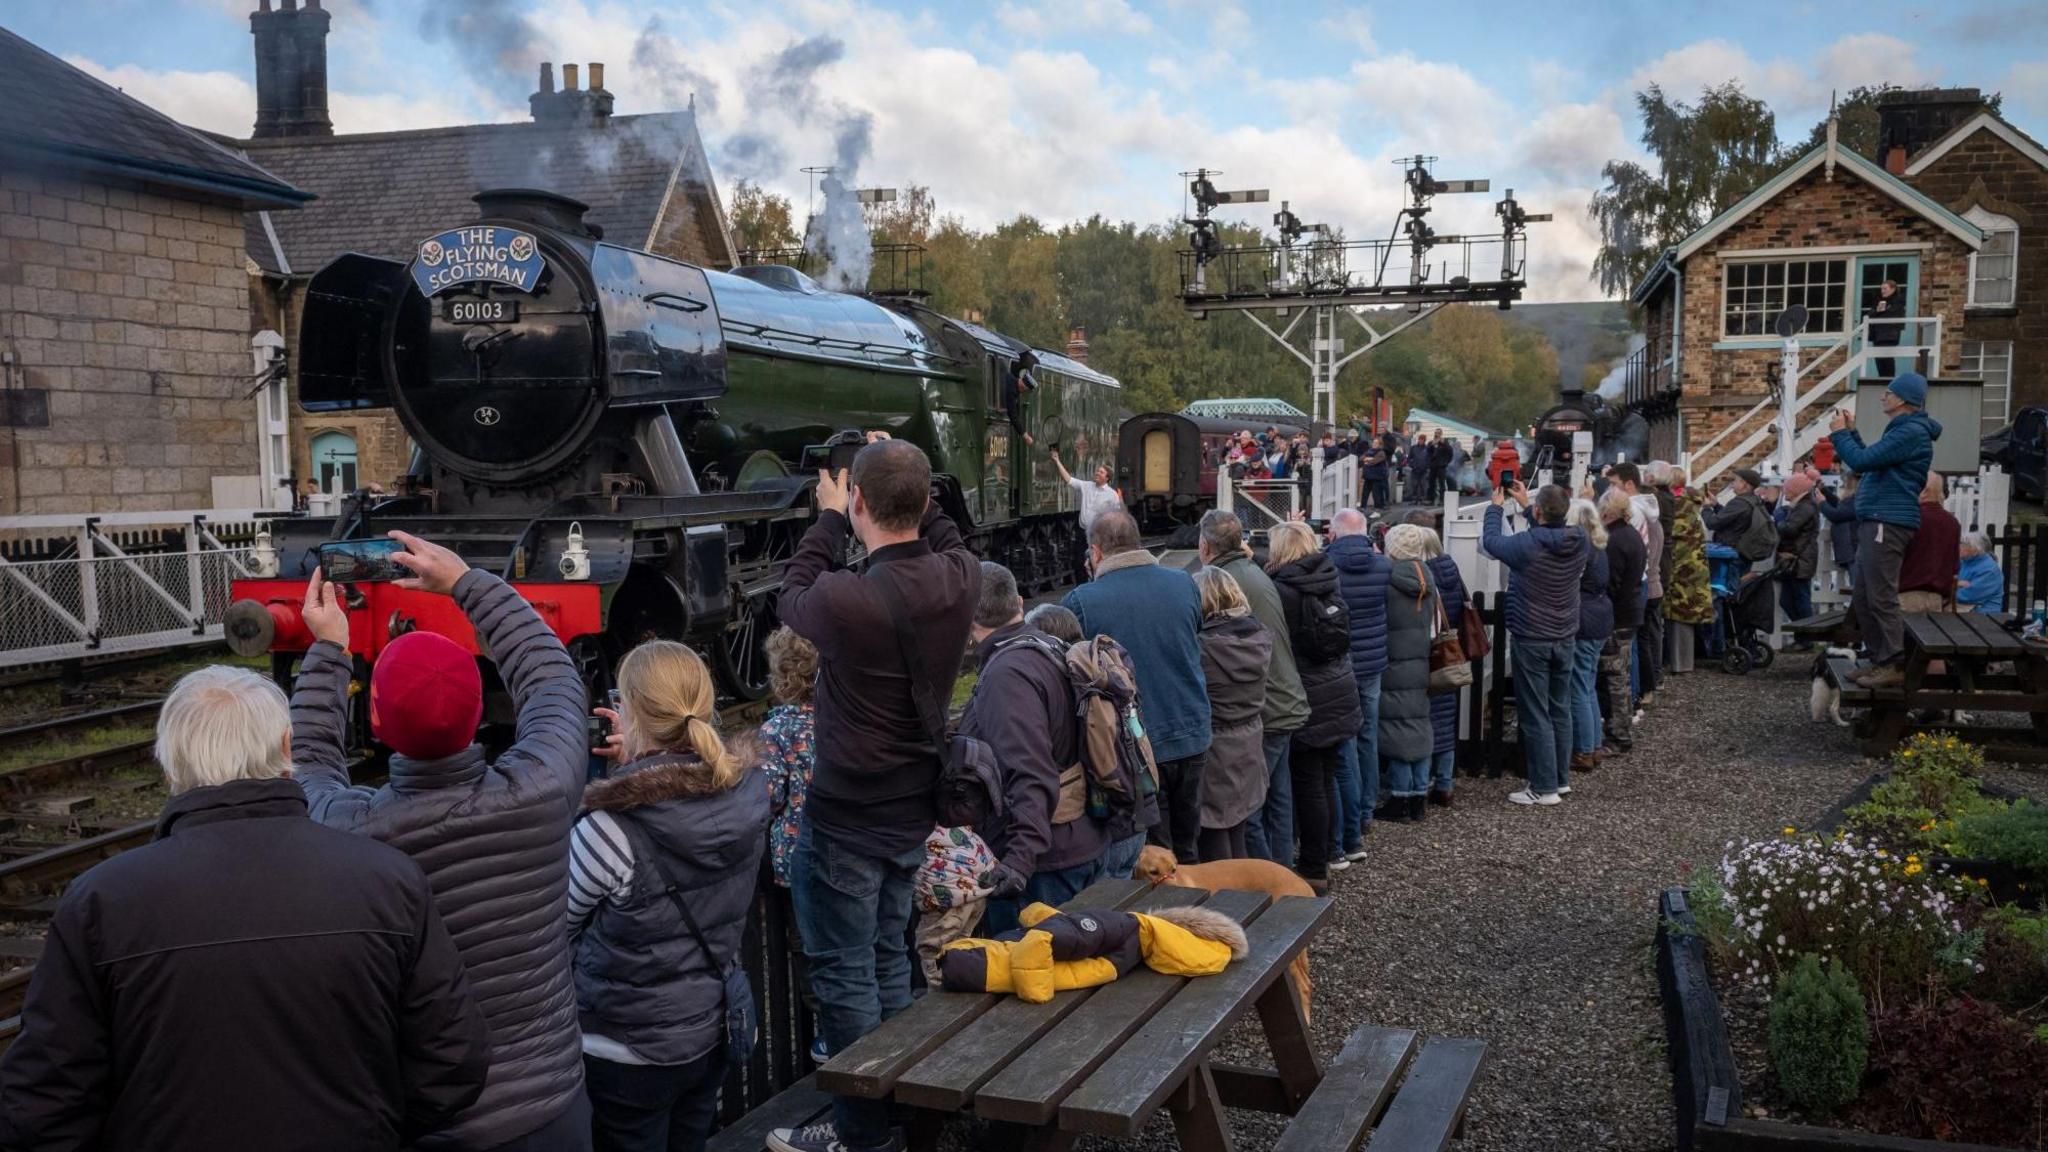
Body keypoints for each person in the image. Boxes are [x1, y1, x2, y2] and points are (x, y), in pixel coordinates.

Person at [0, 663, 489, 1151]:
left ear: (170, 766)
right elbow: (453, 1061)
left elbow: (43, 1103)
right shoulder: (389, 880)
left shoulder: (99, 902)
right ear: (284, 753)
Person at [293, 535, 592, 1152]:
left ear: (376, 721)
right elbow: (552, 681)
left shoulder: (352, 831)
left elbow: (311, 768)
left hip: (432, 1122)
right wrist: (466, 582)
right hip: (552, 1106)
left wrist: (328, 650)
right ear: (479, 710)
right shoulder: (540, 791)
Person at [772, 436, 979, 1152]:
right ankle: (907, 1109)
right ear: (924, 505)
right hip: (911, 813)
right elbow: (947, 529)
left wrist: (829, 519)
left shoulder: (845, 600)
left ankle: (862, 1130)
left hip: (845, 822)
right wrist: (900, 478)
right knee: (893, 958)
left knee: (844, 975)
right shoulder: (962, 578)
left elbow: (789, 592)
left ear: (858, 501)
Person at [573, 643, 768, 1152]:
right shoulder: (749, 793)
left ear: (631, 710)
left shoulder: (610, 828)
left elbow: (559, 920)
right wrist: (635, 769)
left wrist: (619, 781)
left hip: (626, 1046)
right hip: (708, 1028)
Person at [960, 561, 1111, 932]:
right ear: (1020, 604)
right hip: (1078, 841)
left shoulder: (1007, 675)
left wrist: (1017, 863)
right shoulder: (1047, 645)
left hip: (1045, 868)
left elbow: (1031, 772)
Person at [1063, 511, 1207, 867]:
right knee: (1187, 847)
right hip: (1192, 731)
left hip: (1135, 747)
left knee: (1152, 858)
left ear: (1095, 553)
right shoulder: (1185, 583)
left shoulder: (1082, 601)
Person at [1198, 509, 1309, 866]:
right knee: (1279, 800)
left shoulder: (1222, 581)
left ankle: (1267, 888)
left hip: (1266, 707)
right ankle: (1286, 877)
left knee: (1251, 813)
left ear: (1204, 545)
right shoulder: (1254, 573)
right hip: (1284, 699)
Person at [1829, 372, 1942, 688]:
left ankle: (1892, 662)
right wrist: (1851, 433)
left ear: (1903, 399)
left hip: (1887, 521)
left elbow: (1862, 462)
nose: (1883, 396)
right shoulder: (1903, 432)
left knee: (1880, 595)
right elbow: (1873, 459)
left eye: (1888, 393)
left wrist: (1839, 435)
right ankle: (1879, 659)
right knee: (1864, 596)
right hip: (1877, 520)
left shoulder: (1911, 432)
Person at [1265, 521, 1361, 885]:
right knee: (1327, 777)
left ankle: (1312, 866)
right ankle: (1330, 853)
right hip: (1339, 689)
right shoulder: (1327, 576)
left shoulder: (1283, 591)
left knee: (1307, 783)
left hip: (1310, 695)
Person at [1481, 480, 1588, 806]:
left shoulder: (1526, 546)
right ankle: (1559, 778)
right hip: (1565, 633)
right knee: (1559, 708)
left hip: (1532, 635)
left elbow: (1492, 542)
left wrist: (1495, 508)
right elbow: (1548, 529)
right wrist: (1529, 505)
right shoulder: (1579, 539)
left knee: (1535, 714)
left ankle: (1543, 788)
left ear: (1539, 512)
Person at [1192, 566, 1273, 861]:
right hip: (1249, 740)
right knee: (1239, 826)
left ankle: (1227, 900)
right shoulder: (1260, 636)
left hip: (1215, 748)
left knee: (1213, 834)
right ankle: (1247, 894)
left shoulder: (1202, 648)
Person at [1326, 508, 1388, 840]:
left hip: (1341, 664)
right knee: (1369, 736)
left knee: (1345, 740)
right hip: (1373, 662)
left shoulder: (1327, 565)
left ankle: (1349, 815)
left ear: (1333, 533)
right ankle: (1366, 809)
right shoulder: (1382, 565)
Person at [1378, 525, 1441, 821]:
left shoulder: (1390, 580)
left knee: (1397, 725)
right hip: (1421, 658)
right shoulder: (1427, 576)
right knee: (1418, 722)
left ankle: (1401, 798)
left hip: (1395, 659)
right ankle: (1418, 795)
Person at [1410, 515, 1468, 805]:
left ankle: (1421, 781)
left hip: (1423, 657)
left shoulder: (1419, 576)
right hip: (1447, 655)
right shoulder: (1450, 568)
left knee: (1422, 721)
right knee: (1446, 719)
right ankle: (1445, 783)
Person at [761, 626, 818, 890]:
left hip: (798, 853)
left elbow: (770, 795)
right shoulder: (847, 720)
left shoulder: (776, 731)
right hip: (852, 844)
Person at [1565, 500, 1612, 774]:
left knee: (1578, 687)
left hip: (1585, 618)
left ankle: (1583, 750)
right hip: (1600, 616)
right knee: (1588, 685)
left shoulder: (1582, 548)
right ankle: (1593, 744)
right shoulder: (1599, 545)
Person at [1598, 487, 1646, 757]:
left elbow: (1611, 583)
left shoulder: (1615, 541)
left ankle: (1619, 735)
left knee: (1615, 678)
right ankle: (1619, 730)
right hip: (1630, 612)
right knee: (1620, 676)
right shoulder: (1632, 535)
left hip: (1618, 617)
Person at [1615, 463, 1665, 706]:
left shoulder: (1634, 512)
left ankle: (1636, 693)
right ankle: (1646, 687)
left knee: (1635, 643)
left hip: (1638, 582)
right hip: (1649, 580)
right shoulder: (1649, 510)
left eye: (1614, 485)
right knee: (1643, 639)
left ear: (1628, 484)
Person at [1662, 467, 1714, 675]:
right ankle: (1684, 662)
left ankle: (1677, 663)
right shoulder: (1694, 501)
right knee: (1687, 616)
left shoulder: (1672, 505)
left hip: (1679, 566)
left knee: (1677, 615)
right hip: (1695, 566)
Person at [1898, 473, 1961, 613]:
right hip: (1936, 598)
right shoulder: (1952, 523)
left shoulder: (1909, 518)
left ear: (1924, 491)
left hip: (1905, 594)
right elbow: (1954, 565)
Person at [1775, 472, 1821, 634]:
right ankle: (1804, 634)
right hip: (1798, 560)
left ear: (1795, 489)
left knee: (1799, 601)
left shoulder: (1805, 506)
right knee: (1789, 600)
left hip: (1799, 560)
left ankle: (1806, 637)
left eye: (1787, 488)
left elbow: (1790, 529)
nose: (1784, 491)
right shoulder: (1804, 505)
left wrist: (1778, 520)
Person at [1049, 449, 1123, 541]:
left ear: (1107, 478)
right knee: (1079, 554)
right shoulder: (1086, 486)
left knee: (1094, 555)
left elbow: (1116, 516)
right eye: (1097, 471)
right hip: (1081, 532)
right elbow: (1069, 479)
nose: (1097, 473)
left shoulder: (1112, 495)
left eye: (1101, 472)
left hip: (1098, 534)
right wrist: (1057, 461)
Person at [1701, 468, 1772, 563]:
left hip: (1732, 554)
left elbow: (1712, 523)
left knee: (1730, 578)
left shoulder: (1739, 503)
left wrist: (1706, 508)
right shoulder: (1753, 500)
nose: (1732, 483)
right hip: (1743, 552)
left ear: (1744, 485)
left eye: (1735, 480)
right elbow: (1730, 517)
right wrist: (1716, 505)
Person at [1957, 532, 2004, 613]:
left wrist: (1946, 589)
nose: (1958, 547)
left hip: (1984, 615)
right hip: (1965, 610)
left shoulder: (1989, 570)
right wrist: (1957, 583)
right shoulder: (1966, 562)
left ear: (1976, 549)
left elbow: (1967, 596)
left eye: (1963, 544)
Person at [1866, 278, 1903, 379]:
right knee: (1879, 360)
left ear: (1893, 289)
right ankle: (1881, 380)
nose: (1882, 291)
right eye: (1881, 289)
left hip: (1889, 335)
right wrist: (1877, 311)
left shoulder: (1898, 301)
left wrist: (1879, 312)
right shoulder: (1879, 301)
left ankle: (1889, 381)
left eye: (1885, 288)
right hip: (1877, 335)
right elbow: (1869, 315)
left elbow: (1893, 315)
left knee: (1887, 359)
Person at [1362, 440, 1391, 509]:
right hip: (1368, 476)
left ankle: (1378, 508)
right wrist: (1369, 459)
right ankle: (1363, 507)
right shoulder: (1368, 450)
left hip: (1377, 476)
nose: (1373, 444)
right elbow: (1361, 458)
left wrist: (1367, 460)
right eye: (1373, 442)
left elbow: (1375, 461)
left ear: (1379, 444)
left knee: (1377, 493)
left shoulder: (1381, 452)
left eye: (1376, 443)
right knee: (1365, 493)